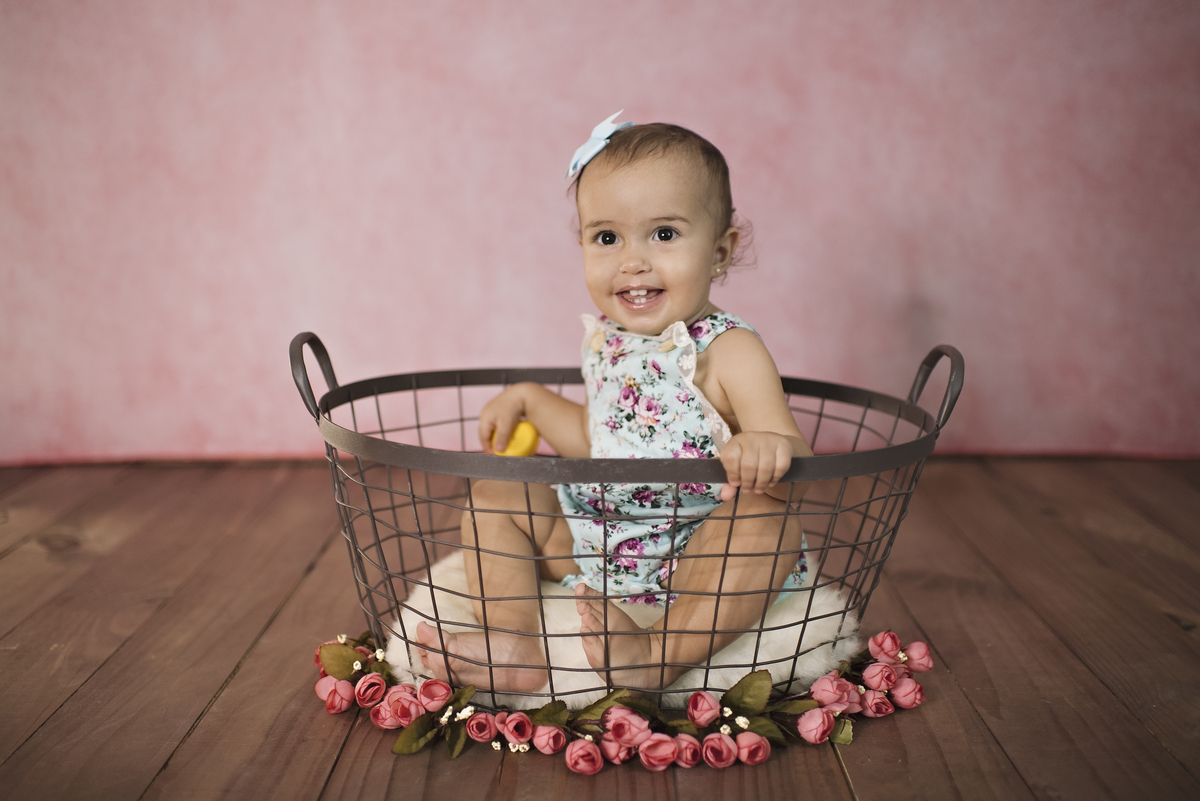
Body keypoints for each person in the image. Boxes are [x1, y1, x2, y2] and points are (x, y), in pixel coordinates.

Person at [413, 113, 813, 692]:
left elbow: (795, 457)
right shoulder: (605, 339)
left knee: (767, 522)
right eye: (607, 238)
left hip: (698, 552)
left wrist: (767, 449)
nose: (632, 261)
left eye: (664, 234)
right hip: (596, 539)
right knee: (498, 493)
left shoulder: (728, 350)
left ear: (720, 252)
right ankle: (513, 641)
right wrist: (532, 400)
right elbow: (600, 440)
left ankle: (656, 654)